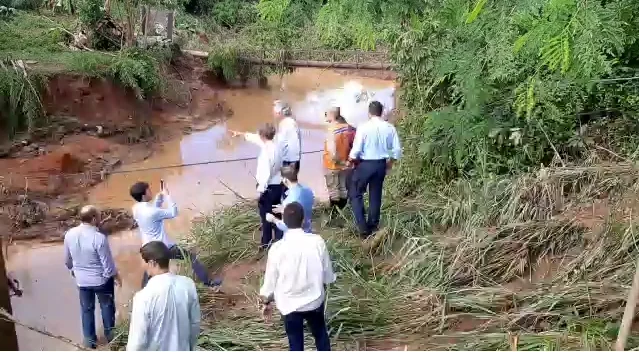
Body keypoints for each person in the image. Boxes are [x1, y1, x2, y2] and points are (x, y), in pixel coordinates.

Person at [260, 202, 336, 351]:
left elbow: (270, 282)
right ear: (303, 220)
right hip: (314, 301)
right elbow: (328, 275)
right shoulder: (317, 242)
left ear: (284, 221)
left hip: (289, 305)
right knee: (321, 335)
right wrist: (325, 284)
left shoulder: (277, 249)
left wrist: (266, 301)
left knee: (295, 343)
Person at [130, 181, 220, 288]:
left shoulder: (135, 209)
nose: (151, 191)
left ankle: (143, 292)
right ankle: (208, 283)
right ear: (144, 195)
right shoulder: (152, 212)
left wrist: (159, 199)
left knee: (150, 270)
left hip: (148, 248)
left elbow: (153, 213)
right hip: (163, 247)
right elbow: (173, 212)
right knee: (192, 257)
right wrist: (168, 196)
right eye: (148, 190)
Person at [64, 205, 121, 349]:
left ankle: (89, 342)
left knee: (86, 310)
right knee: (107, 308)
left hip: (82, 281)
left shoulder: (70, 234)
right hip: (101, 280)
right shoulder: (99, 238)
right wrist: (114, 277)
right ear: (94, 219)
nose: (101, 218)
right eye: (99, 215)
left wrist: (73, 270)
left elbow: (67, 260)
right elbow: (107, 265)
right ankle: (112, 339)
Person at [126, 241, 201, 351]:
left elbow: (137, 341)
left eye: (144, 262)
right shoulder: (188, 285)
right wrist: (190, 346)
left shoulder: (143, 297)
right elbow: (194, 323)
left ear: (152, 263)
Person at [348, 101, 402, 238]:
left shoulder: (363, 127)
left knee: (355, 192)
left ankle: (362, 227)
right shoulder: (390, 127)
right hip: (380, 165)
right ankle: (373, 225)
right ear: (382, 112)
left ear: (369, 113)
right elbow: (396, 150)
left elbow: (356, 150)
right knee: (375, 195)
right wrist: (390, 163)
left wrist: (350, 160)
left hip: (366, 164)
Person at [234, 123, 284, 249]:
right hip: (279, 185)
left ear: (262, 135)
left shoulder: (266, 153)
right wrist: (242, 135)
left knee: (266, 217)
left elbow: (265, 173)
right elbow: (257, 139)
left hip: (268, 188)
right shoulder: (276, 145)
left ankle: (266, 243)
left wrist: (261, 191)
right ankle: (280, 240)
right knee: (277, 212)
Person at [323, 106, 356, 211]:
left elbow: (332, 152)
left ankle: (334, 214)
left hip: (333, 165)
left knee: (333, 190)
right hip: (345, 164)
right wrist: (346, 161)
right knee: (342, 189)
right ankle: (343, 211)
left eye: (326, 113)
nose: (325, 115)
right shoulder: (347, 127)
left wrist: (339, 161)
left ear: (331, 115)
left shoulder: (331, 130)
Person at [266, 165, 314, 233]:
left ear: (285, 180)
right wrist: (285, 209)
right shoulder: (308, 189)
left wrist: (273, 219)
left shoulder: (289, 201)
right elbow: (302, 208)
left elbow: (286, 226)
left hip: (296, 236)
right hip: (308, 230)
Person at [274, 100, 302, 172]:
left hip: (288, 160)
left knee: (286, 181)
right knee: (292, 181)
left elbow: (280, 143)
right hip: (296, 158)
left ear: (279, 112)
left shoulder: (283, 124)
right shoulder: (293, 122)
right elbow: (298, 140)